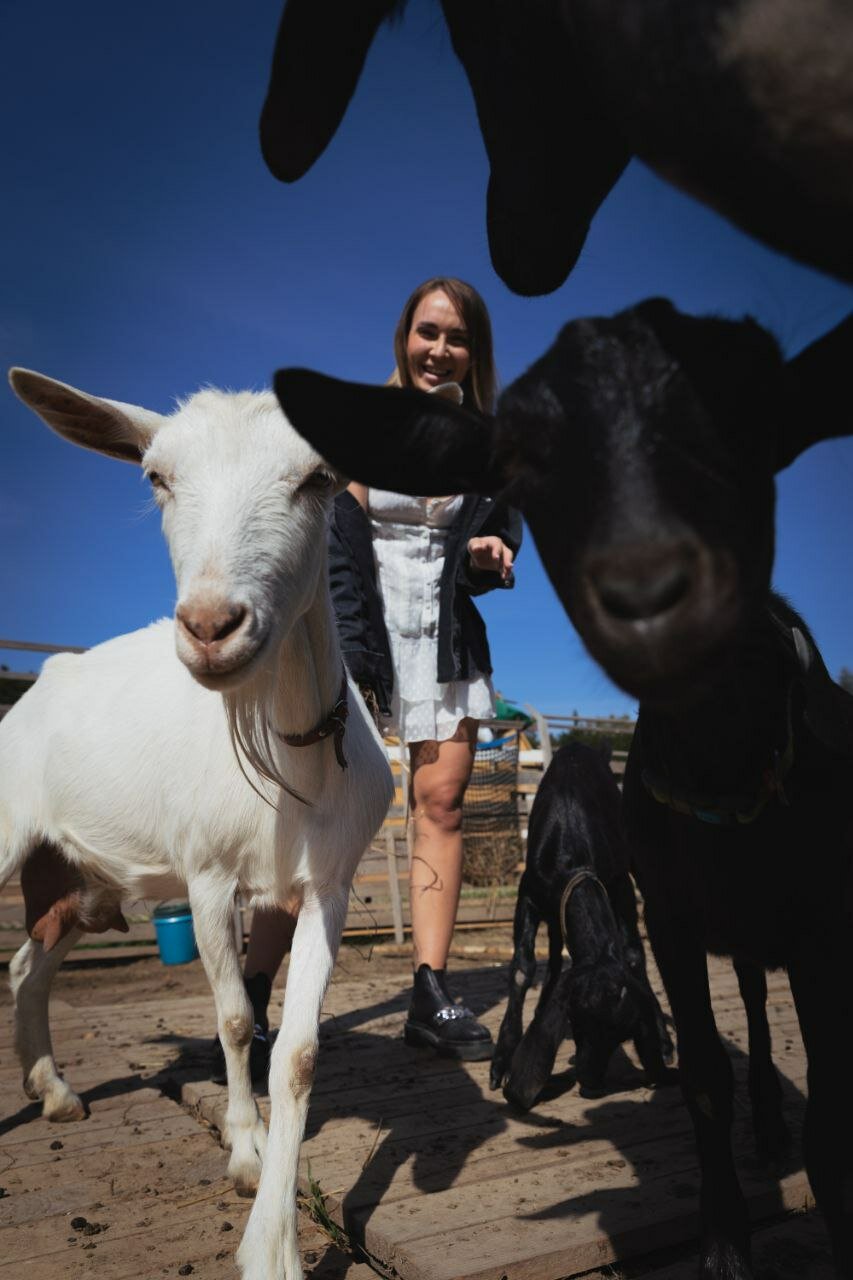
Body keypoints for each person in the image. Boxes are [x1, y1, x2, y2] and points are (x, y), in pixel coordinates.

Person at [224, 277, 521, 1078]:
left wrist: (488, 557)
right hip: (353, 635)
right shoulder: (354, 428)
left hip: (443, 643)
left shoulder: (489, 445)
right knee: (316, 816)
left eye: (456, 337)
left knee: (441, 806)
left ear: (474, 352)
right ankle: (253, 995)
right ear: (404, 336)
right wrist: (344, 659)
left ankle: (430, 993)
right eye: (428, 331)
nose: (440, 349)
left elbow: (492, 546)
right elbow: (329, 544)